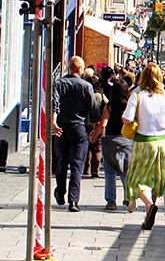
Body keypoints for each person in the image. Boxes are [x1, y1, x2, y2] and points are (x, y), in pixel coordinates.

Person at [123, 63, 165, 230]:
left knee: (134, 180)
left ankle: (148, 205)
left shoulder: (137, 96)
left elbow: (127, 119)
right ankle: (149, 214)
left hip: (144, 141)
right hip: (163, 143)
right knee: (155, 180)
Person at [52, 56, 101, 212]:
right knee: (76, 165)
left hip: (61, 127)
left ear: (69, 67)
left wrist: (53, 122)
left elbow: (54, 103)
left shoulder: (58, 84)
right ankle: (74, 200)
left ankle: (60, 192)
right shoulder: (86, 86)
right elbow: (93, 109)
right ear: (80, 69)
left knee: (61, 162)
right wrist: (95, 128)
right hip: (78, 128)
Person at [89, 77, 133, 210]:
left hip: (110, 141)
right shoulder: (130, 106)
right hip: (126, 140)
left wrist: (93, 136)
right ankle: (128, 199)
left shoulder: (109, 106)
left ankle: (111, 201)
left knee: (109, 173)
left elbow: (103, 124)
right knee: (126, 172)